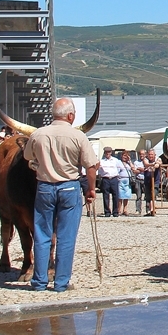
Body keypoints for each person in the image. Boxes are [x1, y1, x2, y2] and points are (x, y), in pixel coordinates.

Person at [23, 97, 97, 292]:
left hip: (45, 187)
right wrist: (90, 189)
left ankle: (39, 282)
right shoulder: (78, 136)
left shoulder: (38, 134)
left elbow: (28, 157)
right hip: (69, 187)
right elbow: (91, 166)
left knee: (42, 235)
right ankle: (61, 283)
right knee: (66, 237)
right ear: (70, 115)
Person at [98, 147, 122, 217]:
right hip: (105, 179)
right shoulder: (102, 161)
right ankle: (107, 212)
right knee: (106, 196)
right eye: (106, 152)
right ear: (104, 153)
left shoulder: (115, 160)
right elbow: (99, 171)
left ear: (111, 152)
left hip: (114, 178)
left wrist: (116, 175)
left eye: (109, 152)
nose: (107, 153)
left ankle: (115, 212)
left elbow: (120, 168)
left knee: (115, 195)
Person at [143, 148, 160, 216]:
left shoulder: (158, 159)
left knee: (154, 195)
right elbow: (146, 164)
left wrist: (154, 165)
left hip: (155, 180)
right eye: (149, 154)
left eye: (152, 154)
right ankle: (148, 211)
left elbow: (157, 165)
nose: (150, 156)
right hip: (147, 180)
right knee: (148, 196)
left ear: (154, 155)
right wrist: (153, 164)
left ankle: (153, 210)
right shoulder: (145, 159)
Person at [117, 150, 133, 216]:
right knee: (120, 196)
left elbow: (133, 168)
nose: (125, 157)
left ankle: (125, 209)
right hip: (121, 180)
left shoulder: (128, 163)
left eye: (126, 156)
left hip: (127, 180)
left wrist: (130, 161)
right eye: (124, 155)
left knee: (126, 195)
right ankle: (119, 209)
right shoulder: (119, 163)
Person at [132, 150, 146, 214]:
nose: (141, 155)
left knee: (148, 196)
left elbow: (147, 169)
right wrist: (142, 170)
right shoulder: (136, 162)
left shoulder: (147, 161)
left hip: (146, 180)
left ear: (145, 154)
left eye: (143, 154)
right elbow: (135, 171)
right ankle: (138, 210)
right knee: (138, 196)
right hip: (138, 180)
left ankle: (148, 209)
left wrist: (140, 169)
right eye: (140, 154)